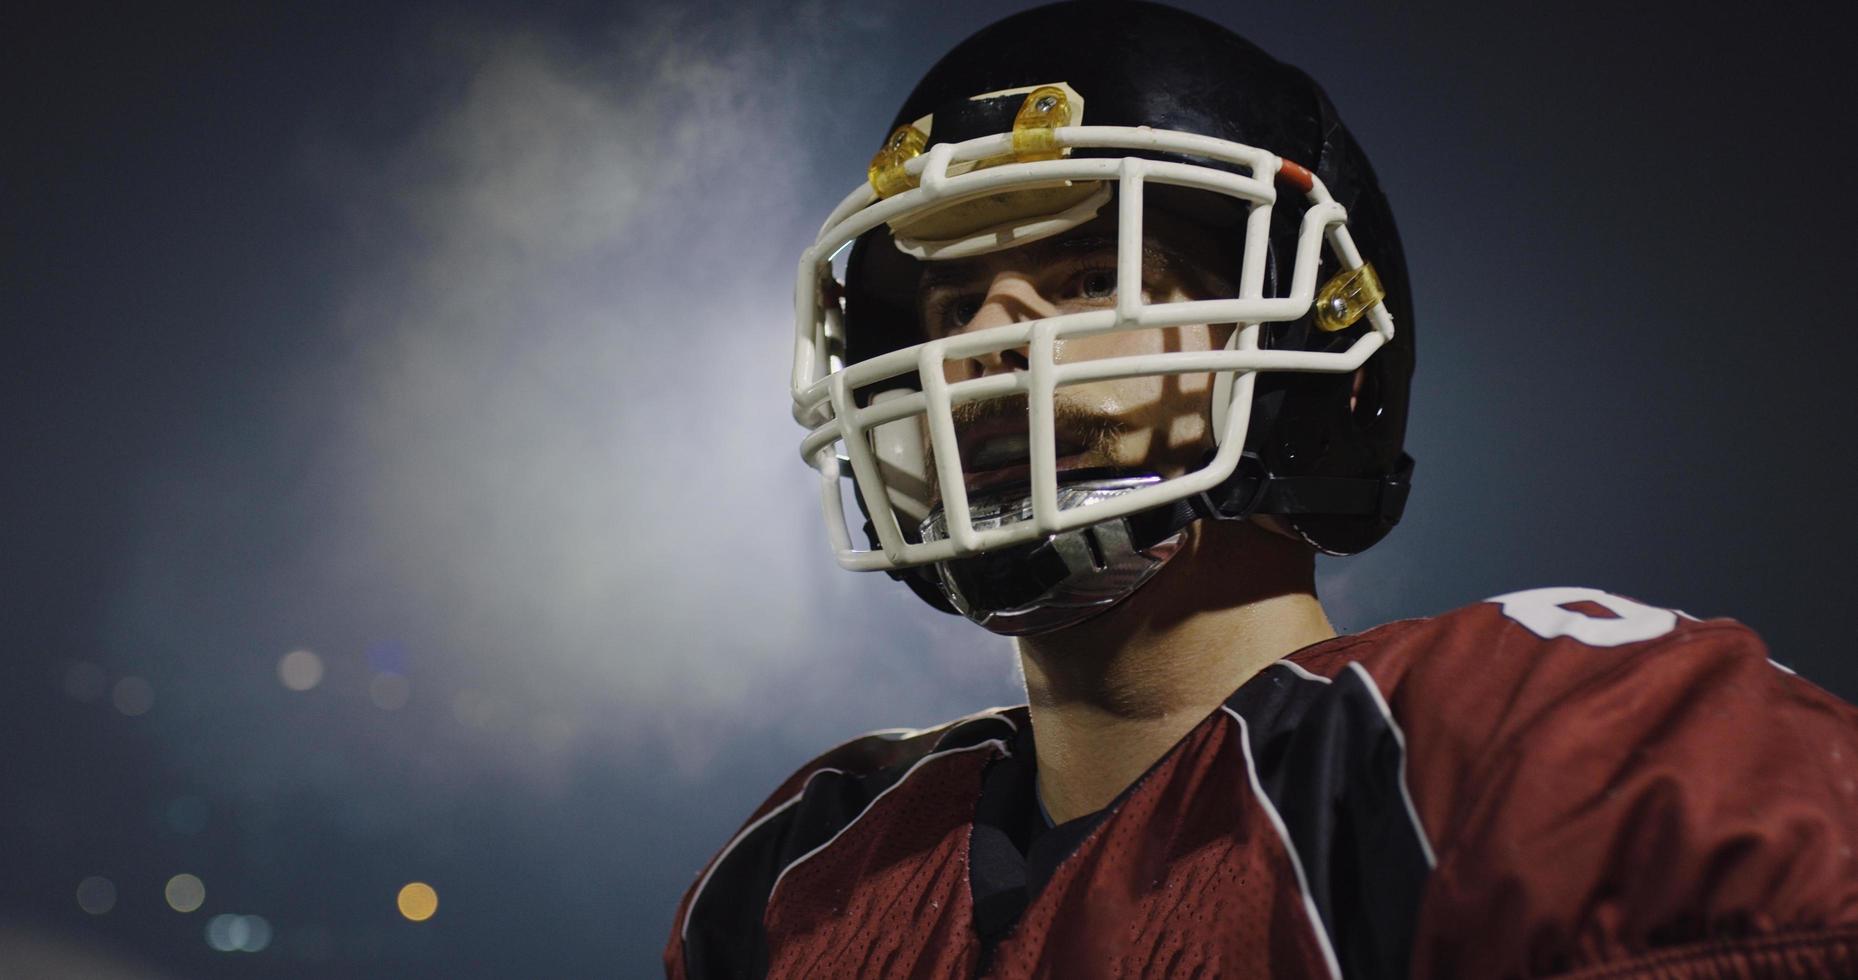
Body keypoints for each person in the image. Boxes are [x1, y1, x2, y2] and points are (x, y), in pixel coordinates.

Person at [666, 3, 1858, 977]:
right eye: (951, 302)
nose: (985, 339)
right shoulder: (806, 867)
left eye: (1086, 276)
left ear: (1309, 334)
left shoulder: (1530, 746)